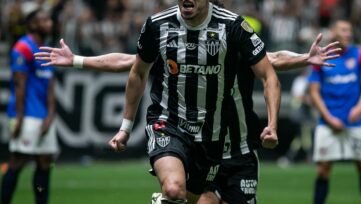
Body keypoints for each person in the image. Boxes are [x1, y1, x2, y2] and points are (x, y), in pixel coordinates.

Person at [39, 0, 281, 203]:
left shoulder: (233, 27)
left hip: (211, 135)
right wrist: (125, 127)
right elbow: (136, 71)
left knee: (188, 197)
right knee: (175, 189)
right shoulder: (157, 25)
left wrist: (272, 124)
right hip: (168, 122)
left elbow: (270, 73)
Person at [35, 32, 340, 204]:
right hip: (202, 144)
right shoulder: (182, 51)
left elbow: (274, 59)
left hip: (238, 148)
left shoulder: (236, 51)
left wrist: (305, 58)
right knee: (190, 196)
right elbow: (130, 62)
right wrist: (77, 60)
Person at [308, 19, 361, 204]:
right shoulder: (322, 56)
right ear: (333, 33)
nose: (348, 33)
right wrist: (329, 118)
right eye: (344, 30)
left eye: (350, 30)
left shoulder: (360, 54)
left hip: (355, 122)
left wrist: (360, 108)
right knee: (323, 169)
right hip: (328, 123)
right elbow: (314, 92)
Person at [1, 8, 58, 204]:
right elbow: (19, 85)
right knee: (17, 161)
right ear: (32, 24)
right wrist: (18, 117)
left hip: (43, 115)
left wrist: (51, 114)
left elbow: (51, 85)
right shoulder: (22, 47)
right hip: (27, 115)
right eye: (44, 20)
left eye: (49, 19)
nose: (49, 23)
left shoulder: (48, 49)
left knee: (45, 163)